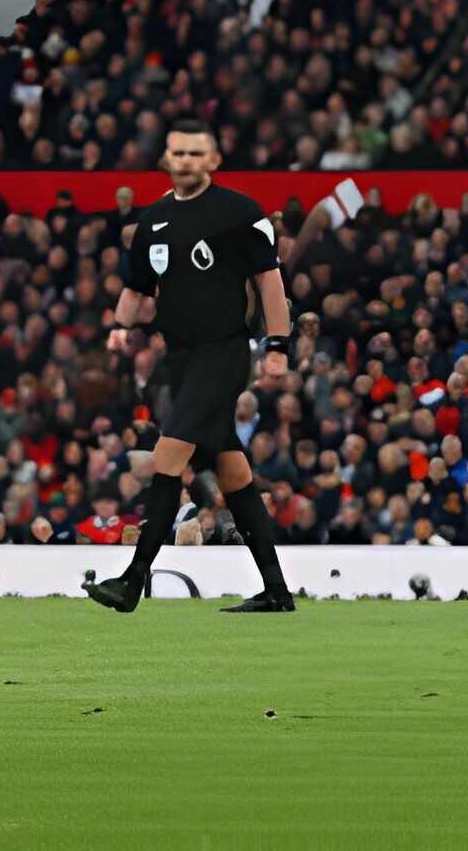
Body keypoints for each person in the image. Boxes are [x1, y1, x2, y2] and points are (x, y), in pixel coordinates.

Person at [84, 120, 299, 614]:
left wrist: (278, 343)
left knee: (167, 457)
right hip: (179, 358)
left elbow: (269, 282)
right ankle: (277, 591)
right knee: (231, 471)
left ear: (213, 160)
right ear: (166, 158)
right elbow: (137, 288)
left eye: (195, 154)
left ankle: (132, 581)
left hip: (223, 352)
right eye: (177, 153)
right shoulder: (154, 219)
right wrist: (118, 327)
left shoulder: (238, 212)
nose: (185, 161)